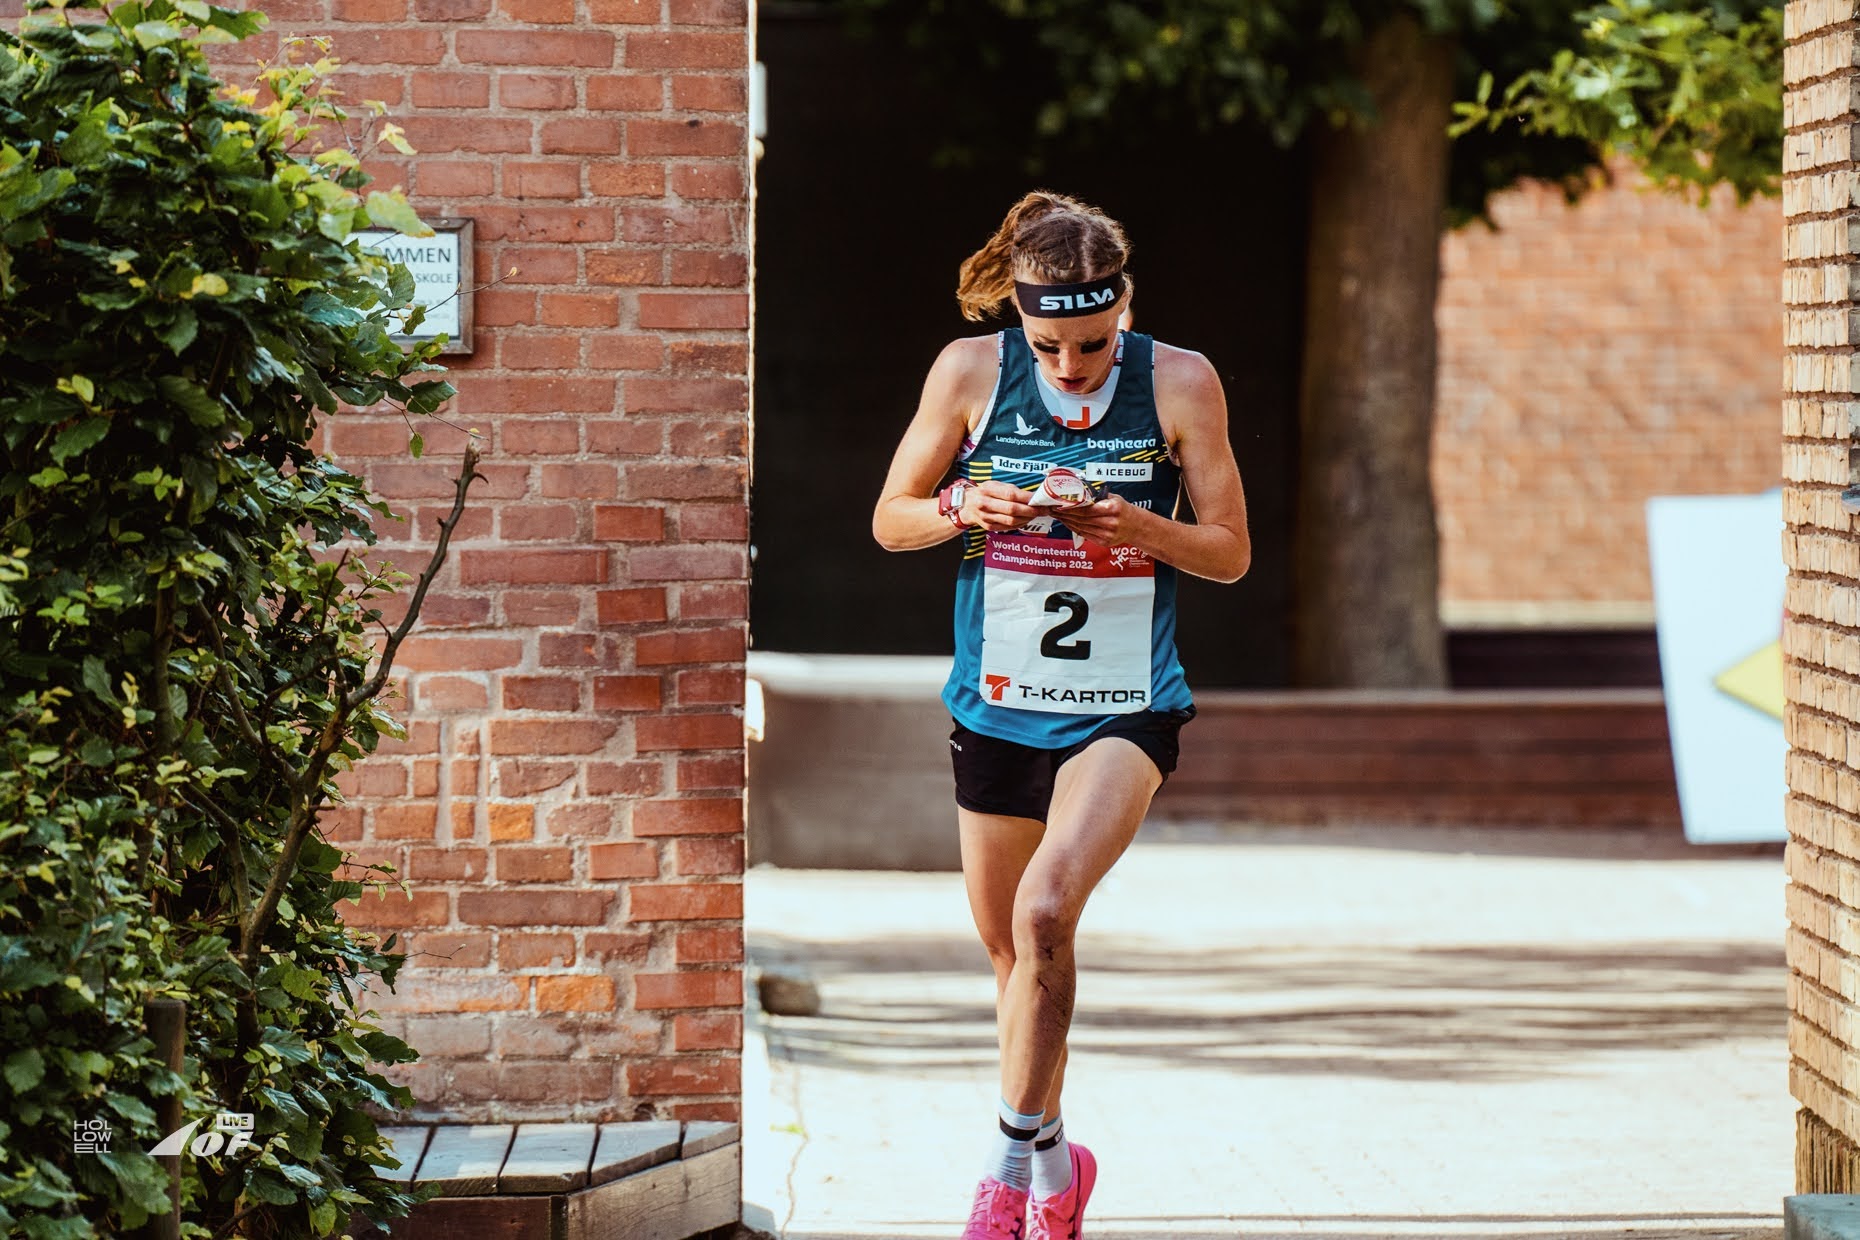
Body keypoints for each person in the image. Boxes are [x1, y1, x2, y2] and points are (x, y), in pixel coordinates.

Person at [871, 191, 1252, 1240]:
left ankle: (998, 1186)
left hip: (1123, 711)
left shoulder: (1179, 382)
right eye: (1051, 346)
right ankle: (1057, 1163)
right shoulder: (968, 373)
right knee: (1013, 963)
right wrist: (963, 504)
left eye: (1093, 343)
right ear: (1020, 320)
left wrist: (1138, 523)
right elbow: (890, 519)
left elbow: (1229, 549)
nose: (1074, 367)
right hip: (996, 709)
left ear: (1124, 307)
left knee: (1045, 916)